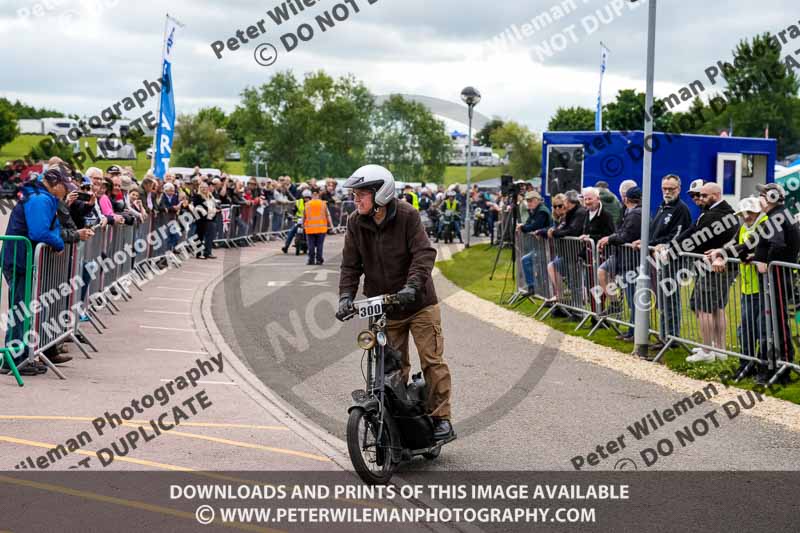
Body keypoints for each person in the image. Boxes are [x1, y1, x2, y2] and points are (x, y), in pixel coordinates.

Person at [336, 164, 454, 440]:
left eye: (361, 195)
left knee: (431, 360)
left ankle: (441, 418)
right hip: (384, 308)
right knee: (391, 368)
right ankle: (399, 424)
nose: (356, 200)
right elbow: (350, 265)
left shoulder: (406, 215)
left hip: (419, 304)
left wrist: (412, 287)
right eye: (354, 195)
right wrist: (345, 297)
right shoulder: (356, 222)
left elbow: (423, 253)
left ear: (380, 194)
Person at [716, 184, 799, 384]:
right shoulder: (776, 217)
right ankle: (776, 366)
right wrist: (732, 253)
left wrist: (765, 261)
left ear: (770, 197)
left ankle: (782, 368)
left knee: (776, 324)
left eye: (761, 195)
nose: (759, 198)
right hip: (776, 275)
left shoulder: (776, 217)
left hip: (777, 276)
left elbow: (777, 245)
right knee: (773, 324)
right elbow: (754, 244)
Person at [1, 168, 68, 376]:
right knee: (21, 310)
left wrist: (55, 237)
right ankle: (13, 360)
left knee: (23, 309)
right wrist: (57, 243)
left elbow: (48, 228)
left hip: (21, 259)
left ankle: (20, 357)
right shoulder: (40, 199)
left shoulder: (40, 196)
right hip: (20, 260)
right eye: (65, 185)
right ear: (56, 184)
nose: (67, 190)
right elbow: (39, 231)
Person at [672, 182, 739, 363]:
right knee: (717, 307)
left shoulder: (713, 215)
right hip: (724, 266)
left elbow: (696, 239)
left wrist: (672, 250)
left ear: (715, 195)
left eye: (703, 196)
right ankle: (719, 348)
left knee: (704, 308)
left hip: (713, 267)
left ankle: (707, 350)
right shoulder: (728, 212)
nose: (699, 199)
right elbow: (692, 231)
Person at [708, 197, 767, 379]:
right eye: (743, 214)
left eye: (750, 213)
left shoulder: (765, 224)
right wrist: (719, 254)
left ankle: (762, 367)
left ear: (758, 211)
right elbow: (733, 245)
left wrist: (722, 253)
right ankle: (746, 365)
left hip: (763, 287)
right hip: (748, 287)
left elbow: (746, 246)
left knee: (762, 330)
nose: (747, 217)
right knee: (746, 329)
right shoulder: (743, 227)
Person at [636, 174, 693, 350]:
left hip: (673, 261)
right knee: (662, 298)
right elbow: (655, 233)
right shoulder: (662, 206)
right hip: (658, 259)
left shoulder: (681, 209)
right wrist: (646, 243)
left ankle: (671, 337)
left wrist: (657, 245)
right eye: (665, 189)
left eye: (671, 189)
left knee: (670, 299)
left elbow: (676, 237)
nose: (667, 192)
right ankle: (663, 335)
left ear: (679, 189)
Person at [597, 187, 643, 341]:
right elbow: (621, 232)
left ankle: (635, 332)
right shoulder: (630, 212)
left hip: (632, 261)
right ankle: (632, 330)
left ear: (626, 199)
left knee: (634, 300)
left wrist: (609, 239)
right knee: (632, 300)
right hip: (627, 259)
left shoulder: (635, 214)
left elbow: (625, 236)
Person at [517, 191, 552, 295]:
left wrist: (522, 227)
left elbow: (535, 226)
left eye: (531, 200)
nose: (528, 203)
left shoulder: (542, 211)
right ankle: (532, 287)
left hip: (546, 245)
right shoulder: (534, 210)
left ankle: (546, 292)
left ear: (537, 200)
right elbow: (528, 224)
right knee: (526, 260)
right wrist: (523, 226)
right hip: (538, 245)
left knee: (542, 268)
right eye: (527, 201)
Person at [302, 188, 333, 265]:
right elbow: (327, 215)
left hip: (310, 229)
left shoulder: (307, 204)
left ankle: (311, 260)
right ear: (318, 194)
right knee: (320, 245)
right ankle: (319, 259)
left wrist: (303, 225)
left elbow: (304, 216)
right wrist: (331, 225)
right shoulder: (323, 204)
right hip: (321, 228)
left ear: (312, 194)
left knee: (311, 245)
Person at [191, 182, 218, 259]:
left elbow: (214, 205)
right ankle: (198, 253)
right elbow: (195, 206)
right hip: (201, 219)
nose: (204, 189)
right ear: (200, 188)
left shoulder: (210, 196)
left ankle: (207, 252)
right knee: (199, 236)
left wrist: (214, 210)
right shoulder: (197, 196)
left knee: (207, 236)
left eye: (205, 187)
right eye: (202, 187)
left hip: (210, 218)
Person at [282, 189, 309, 253]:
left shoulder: (312, 203)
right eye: (305, 197)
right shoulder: (298, 202)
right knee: (291, 231)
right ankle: (286, 246)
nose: (306, 199)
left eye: (308, 198)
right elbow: (293, 211)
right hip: (299, 221)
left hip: (308, 222)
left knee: (312, 233)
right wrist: (291, 215)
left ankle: (312, 246)